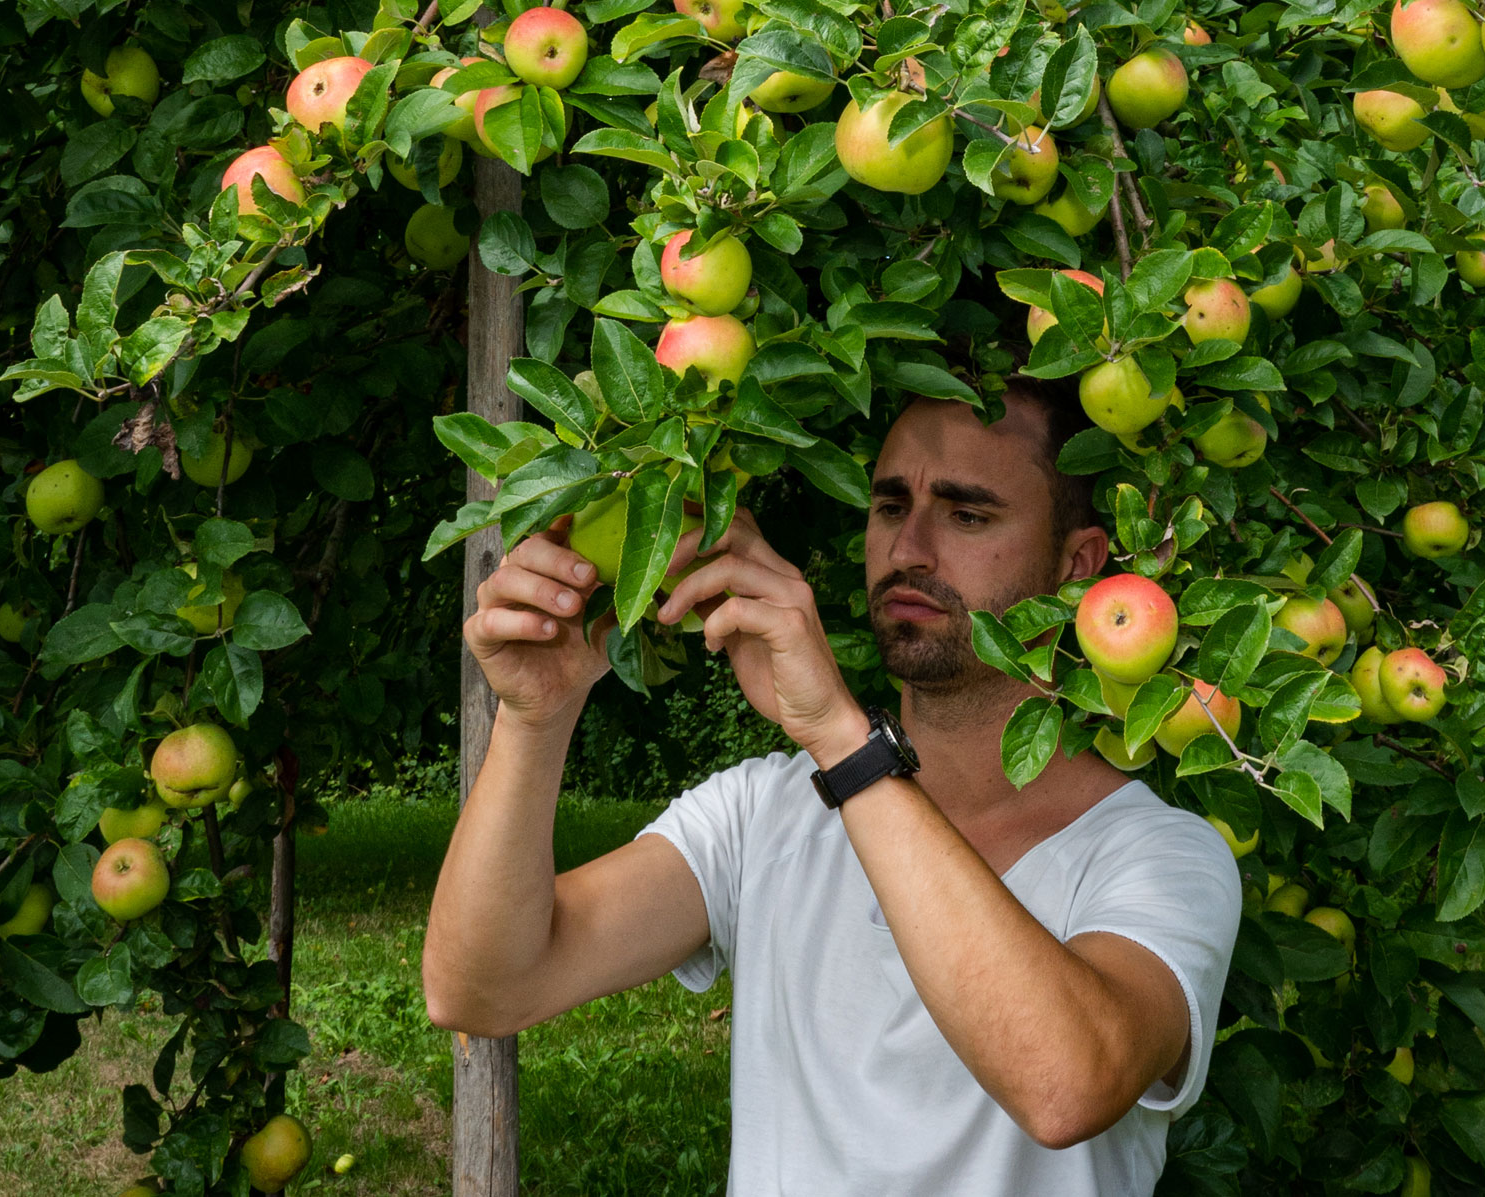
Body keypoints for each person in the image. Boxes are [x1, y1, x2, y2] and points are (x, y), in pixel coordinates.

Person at [424, 379, 1242, 1195]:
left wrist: (841, 738)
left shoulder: (1161, 854)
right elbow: (484, 986)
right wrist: (536, 719)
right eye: (890, 506)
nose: (911, 548)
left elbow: (1064, 1084)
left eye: (967, 514)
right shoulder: (762, 812)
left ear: (1077, 563)